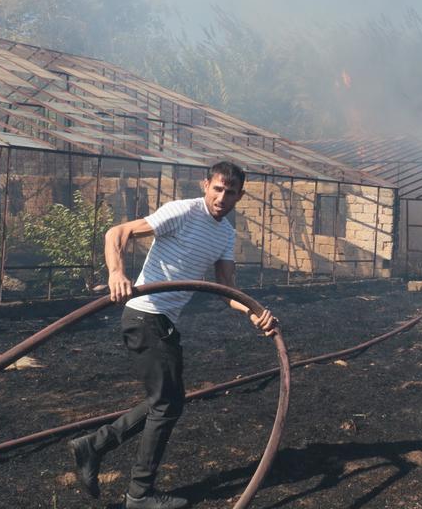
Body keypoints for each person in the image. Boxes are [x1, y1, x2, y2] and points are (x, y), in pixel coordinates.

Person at [68, 161, 277, 509]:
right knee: (166, 404)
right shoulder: (182, 211)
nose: (223, 197)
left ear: (240, 196)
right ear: (205, 185)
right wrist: (117, 273)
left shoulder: (225, 235)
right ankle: (138, 494)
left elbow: (227, 291)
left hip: (163, 322)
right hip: (145, 315)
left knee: (167, 401)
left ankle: (95, 445)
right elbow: (116, 233)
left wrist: (255, 312)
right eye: (218, 189)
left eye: (231, 192)